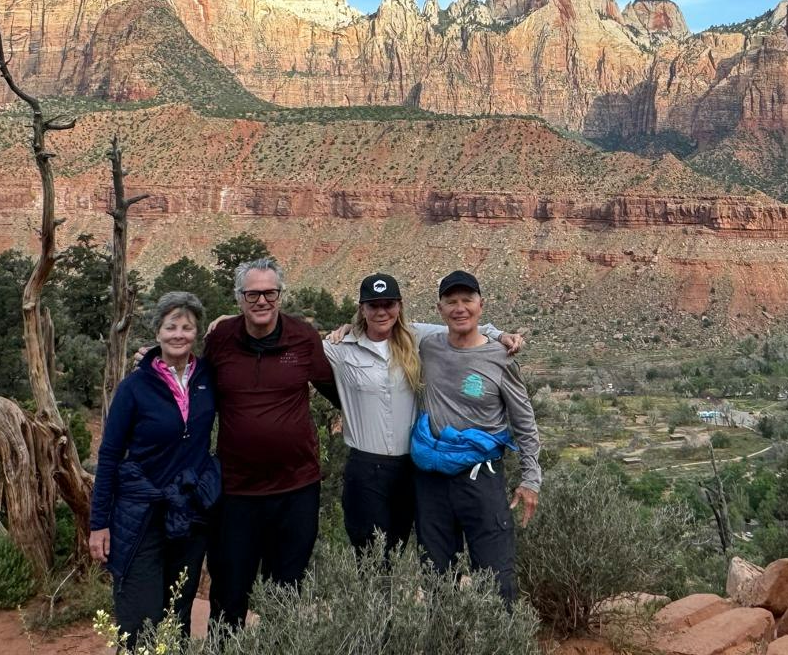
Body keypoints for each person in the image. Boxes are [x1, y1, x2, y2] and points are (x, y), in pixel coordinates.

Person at [323, 272, 523, 553]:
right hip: (366, 468)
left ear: (399, 306)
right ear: (362, 308)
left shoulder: (417, 336)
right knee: (369, 554)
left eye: (388, 304)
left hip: (410, 467)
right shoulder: (340, 348)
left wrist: (500, 335)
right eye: (373, 305)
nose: (381, 311)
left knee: (398, 547)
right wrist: (345, 329)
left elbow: (462, 326)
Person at [202, 257, 340, 629]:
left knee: (286, 593)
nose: (262, 300)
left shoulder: (303, 337)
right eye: (252, 294)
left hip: (296, 490)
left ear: (280, 295)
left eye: (269, 293)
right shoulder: (221, 338)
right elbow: (195, 391)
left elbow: (338, 391)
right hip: (236, 493)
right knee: (229, 594)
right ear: (239, 298)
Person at [90, 291, 218, 647]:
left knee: (178, 613)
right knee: (139, 618)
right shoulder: (134, 387)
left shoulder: (208, 378)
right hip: (141, 513)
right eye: (171, 327)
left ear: (197, 332)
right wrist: (98, 523)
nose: (179, 334)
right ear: (157, 332)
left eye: (187, 327)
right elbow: (110, 455)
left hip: (188, 512)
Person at [412, 269, 541, 606]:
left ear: (481, 304)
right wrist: (346, 330)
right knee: (436, 577)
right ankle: (443, 634)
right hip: (432, 480)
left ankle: (503, 632)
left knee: (497, 577)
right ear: (439, 309)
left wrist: (531, 478)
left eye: (467, 300)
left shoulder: (500, 358)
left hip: (481, 478)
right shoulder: (428, 345)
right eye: (451, 302)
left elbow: (524, 422)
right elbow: (382, 325)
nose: (460, 308)